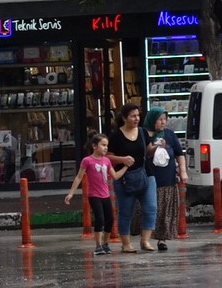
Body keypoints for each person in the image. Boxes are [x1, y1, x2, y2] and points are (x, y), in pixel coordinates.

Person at [63, 133, 127, 256]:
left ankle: (105, 243)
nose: (105, 148)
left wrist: (125, 167)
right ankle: (98, 246)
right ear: (94, 146)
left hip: (106, 195)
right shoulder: (87, 161)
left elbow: (115, 176)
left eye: (107, 145)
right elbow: (79, 177)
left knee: (110, 219)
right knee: (100, 219)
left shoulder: (107, 161)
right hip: (94, 195)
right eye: (103, 145)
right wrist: (71, 193)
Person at [106, 103, 157, 253]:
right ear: (124, 118)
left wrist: (158, 147)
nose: (136, 119)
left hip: (145, 173)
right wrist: (122, 159)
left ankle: (145, 240)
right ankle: (126, 243)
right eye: (133, 116)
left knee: (151, 208)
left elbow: (148, 151)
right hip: (124, 177)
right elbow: (108, 156)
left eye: (138, 115)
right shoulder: (115, 136)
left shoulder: (142, 132)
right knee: (126, 211)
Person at [142, 107, 188, 251]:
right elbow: (145, 153)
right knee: (151, 209)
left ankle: (162, 239)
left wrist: (182, 171)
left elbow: (179, 153)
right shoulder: (144, 134)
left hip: (168, 179)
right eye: (160, 119)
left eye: (165, 119)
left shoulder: (169, 134)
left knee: (165, 210)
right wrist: (156, 145)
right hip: (150, 179)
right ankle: (146, 239)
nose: (163, 122)